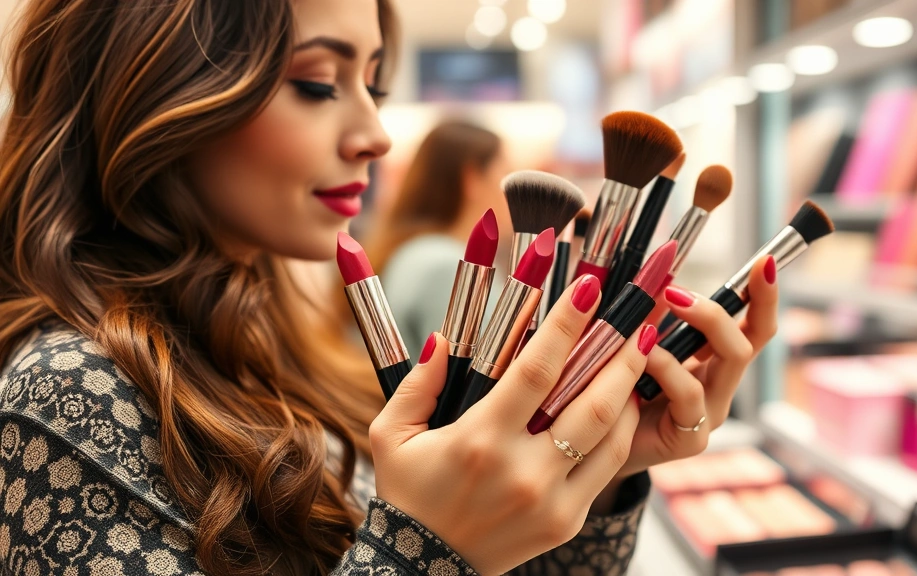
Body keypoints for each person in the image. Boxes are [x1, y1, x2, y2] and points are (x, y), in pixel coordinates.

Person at [0, 1, 779, 575]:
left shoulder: (265, 337)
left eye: (372, 82)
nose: (375, 132)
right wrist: (420, 547)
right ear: (151, 93)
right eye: (315, 82)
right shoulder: (63, 395)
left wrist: (601, 473)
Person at [366, 119, 511, 354]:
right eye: (506, 175)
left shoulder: (415, 250)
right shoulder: (447, 264)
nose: (513, 192)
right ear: (471, 178)